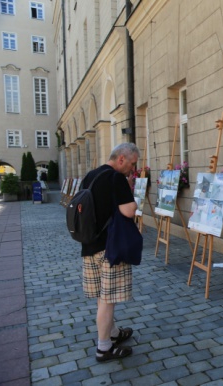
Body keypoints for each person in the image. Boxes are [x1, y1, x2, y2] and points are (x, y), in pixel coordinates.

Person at [80, 143, 139, 362]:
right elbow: (129, 210)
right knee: (108, 300)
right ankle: (104, 348)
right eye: (132, 164)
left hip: (89, 245)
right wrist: (129, 189)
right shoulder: (116, 178)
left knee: (101, 297)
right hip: (110, 248)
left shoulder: (91, 176)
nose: (133, 169)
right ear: (121, 159)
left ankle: (113, 333)